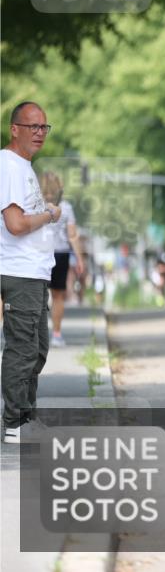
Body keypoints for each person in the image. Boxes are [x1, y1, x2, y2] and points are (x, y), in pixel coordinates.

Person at [1, 101, 60, 444]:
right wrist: (50, 215)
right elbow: (16, 223)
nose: (40, 133)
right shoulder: (8, 165)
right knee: (23, 350)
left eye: (44, 128)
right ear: (14, 129)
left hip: (33, 273)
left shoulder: (22, 166)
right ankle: (14, 422)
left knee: (37, 349)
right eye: (32, 126)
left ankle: (26, 416)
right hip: (19, 271)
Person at [39, 171, 84, 346]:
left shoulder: (34, 205)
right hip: (61, 254)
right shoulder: (66, 207)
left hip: (39, 253)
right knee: (58, 297)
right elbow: (72, 236)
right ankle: (56, 335)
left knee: (37, 295)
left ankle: (34, 335)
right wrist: (79, 258)